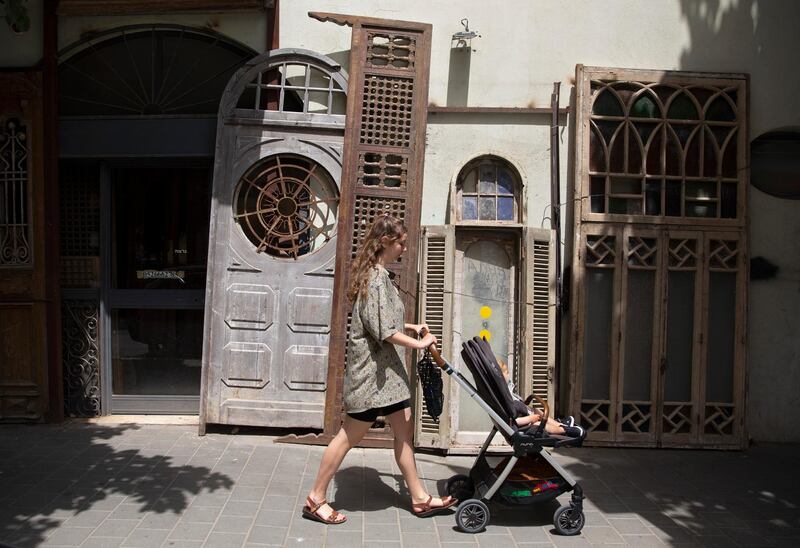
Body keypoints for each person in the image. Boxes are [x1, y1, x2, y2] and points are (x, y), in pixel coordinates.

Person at [302, 214, 458, 525]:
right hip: (371, 380)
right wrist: (421, 343)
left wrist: (411, 327)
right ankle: (316, 498)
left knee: (403, 434)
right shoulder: (375, 279)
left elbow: (382, 320)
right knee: (347, 436)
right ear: (386, 242)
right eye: (401, 242)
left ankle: (419, 498)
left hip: (388, 380)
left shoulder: (380, 276)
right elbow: (383, 331)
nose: (404, 247)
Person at [496, 358, 584, 438]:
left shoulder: (502, 393)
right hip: (520, 427)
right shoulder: (502, 399)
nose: (508, 374)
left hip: (525, 418)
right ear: (500, 377)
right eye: (506, 372)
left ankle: (560, 424)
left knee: (537, 411)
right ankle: (565, 430)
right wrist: (529, 419)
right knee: (539, 424)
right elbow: (510, 421)